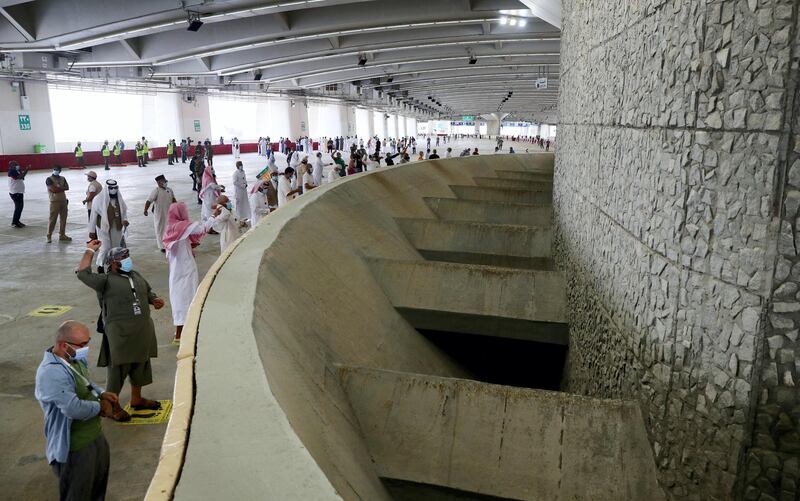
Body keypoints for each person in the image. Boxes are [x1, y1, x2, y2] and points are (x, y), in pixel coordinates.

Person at [34, 320, 126, 501]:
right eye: (82, 344)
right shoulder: (51, 373)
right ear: (63, 345)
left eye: (88, 342)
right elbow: (72, 408)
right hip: (75, 448)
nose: (86, 348)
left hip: (95, 437)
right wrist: (101, 407)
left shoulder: (74, 358)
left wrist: (102, 393)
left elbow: (86, 383)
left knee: (97, 491)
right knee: (78, 495)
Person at [77, 244, 164, 410]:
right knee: (118, 370)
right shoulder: (105, 281)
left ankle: (137, 399)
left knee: (141, 365)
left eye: (127, 256)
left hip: (141, 331)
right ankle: (112, 406)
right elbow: (82, 274)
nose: (127, 260)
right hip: (120, 334)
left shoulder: (135, 275)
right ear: (113, 263)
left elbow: (146, 291)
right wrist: (89, 251)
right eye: (123, 258)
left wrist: (154, 300)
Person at [163, 202, 217, 342]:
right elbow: (201, 228)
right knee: (186, 298)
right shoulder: (181, 226)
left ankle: (182, 332)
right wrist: (213, 216)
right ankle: (181, 335)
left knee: (181, 298)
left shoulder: (172, 227)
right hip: (184, 270)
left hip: (179, 270)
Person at [89, 180, 128, 270]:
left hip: (116, 226)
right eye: (111, 188)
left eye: (115, 188)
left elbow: (124, 211)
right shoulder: (98, 199)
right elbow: (93, 216)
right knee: (105, 247)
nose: (113, 190)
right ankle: (100, 266)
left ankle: (113, 266)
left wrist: (125, 220)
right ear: (107, 188)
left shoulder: (119, 198)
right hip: (103, 227)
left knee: (116, 247)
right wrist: (91, 231)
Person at [144, 175, 176, 252]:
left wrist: (177, 207)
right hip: (160, 214)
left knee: (169, 229)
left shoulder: (169, 190)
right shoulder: (156, 191)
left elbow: (173, 199)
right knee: (160, 229)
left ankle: (169, 243)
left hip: (169, 213)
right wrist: (145, 210)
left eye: (165, 181)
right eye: (164, 181)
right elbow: (149, 201)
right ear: (159, 183)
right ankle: (162, 246)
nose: (165, 182)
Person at [46, 165, 71, 243]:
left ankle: (62, 235)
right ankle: (49, 235)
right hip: (54, 202)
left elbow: (67, 187)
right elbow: (53, 190)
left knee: (63, 219)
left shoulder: (63, 178)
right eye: (55, 169)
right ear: (53, 169)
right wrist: (61, 188)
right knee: (52, 219)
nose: (56, 171)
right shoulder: (49, 179)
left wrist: (58, 188)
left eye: (58, 170)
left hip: (63, 201)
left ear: (60, 171)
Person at [8, 160, 28, 228]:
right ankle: (14, 222)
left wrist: (22, 171)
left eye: (17, 164)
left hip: (19, 192)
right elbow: (18, 177)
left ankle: (17, 221)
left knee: (20, 207)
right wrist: (26, 170)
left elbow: (22, 177)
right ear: (11, 166)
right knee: (18, 208)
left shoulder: (17, 171)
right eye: (15, 164)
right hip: (15, 193)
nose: (17, 165)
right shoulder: (11, 172)